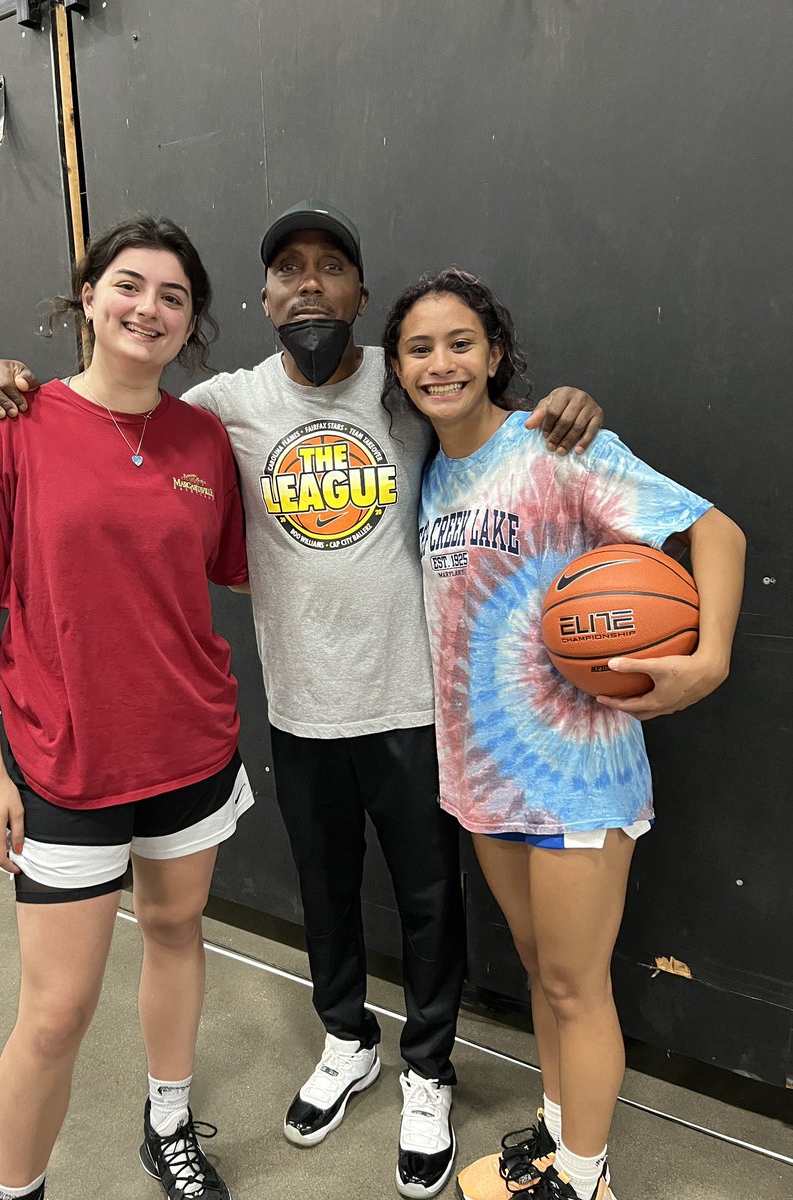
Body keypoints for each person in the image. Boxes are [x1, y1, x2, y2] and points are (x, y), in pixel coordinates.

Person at [0, 202, 604, 1200]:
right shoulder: (222, 407)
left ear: (361, 295)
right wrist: (12, 383)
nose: (311, 283)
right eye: (289, 270)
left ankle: (429, 1068)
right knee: (325, 891)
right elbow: (121, 417)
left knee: (433, 902)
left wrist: (560, 407)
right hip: (301, 705)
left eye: (333, 267)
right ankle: (346, 1038)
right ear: (261, 301)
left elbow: (488, 418)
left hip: (412, 701)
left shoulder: (408, 384)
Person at [381, 268, 746, 1200]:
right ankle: (557, 1137)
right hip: (483, 775)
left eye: (460, 342)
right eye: (419, 348)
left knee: (579, 985)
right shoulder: (430, 473)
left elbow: (717, 532)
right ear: (398, 368)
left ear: (495, 353)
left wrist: (707, 660)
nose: (441, 363)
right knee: (545, 970)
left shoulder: (558, 446)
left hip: (577, 772)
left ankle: (584, 1182)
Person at [0, 215, 253, 1200]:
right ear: (88, 296)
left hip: (190, 751)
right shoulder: (10, 421)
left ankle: (167, 1125)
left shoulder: (204, 437)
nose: (148, 308)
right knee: (56, 1013)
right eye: (130, 285)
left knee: (175, 930)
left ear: (192, 321)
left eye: (173, 296)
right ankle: (11, 1189)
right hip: (65, 761)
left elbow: (213, 580)